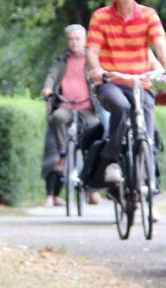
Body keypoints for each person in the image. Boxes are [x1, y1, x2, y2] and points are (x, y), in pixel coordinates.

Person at [86, 0, 166, 186]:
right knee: (122, 108)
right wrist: (96, 69)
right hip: (111, 81)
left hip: (140, 82)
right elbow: (92, 50)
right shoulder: (100, 17)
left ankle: (149, 184)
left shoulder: (148, 15)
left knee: (146, 133)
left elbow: (159, 44)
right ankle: (112, 160)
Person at [41, 24, 103, 206]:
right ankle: (63, 150)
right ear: (67, 41)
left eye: (77, 39)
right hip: (66, 106)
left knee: (95, 138)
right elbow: (51, 76)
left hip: (87, 108)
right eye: (70, 39)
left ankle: (93, 192)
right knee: (58, 118)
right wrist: (47, 88)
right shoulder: (61, 60)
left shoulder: (92, 59)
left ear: (84, 41)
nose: (74, 43)